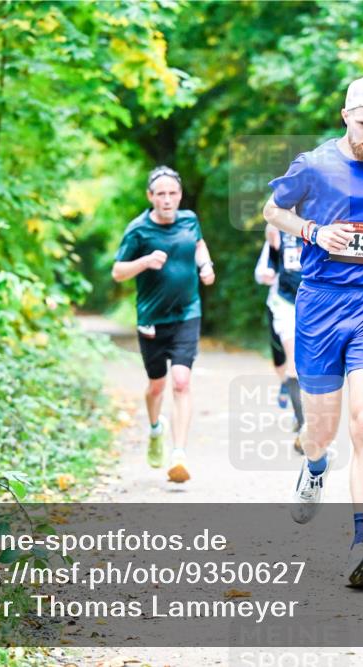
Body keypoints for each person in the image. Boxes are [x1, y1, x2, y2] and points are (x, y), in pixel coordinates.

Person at [263, 76, 363, 587]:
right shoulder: (314, 164)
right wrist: (313, 231)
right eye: (362, 123)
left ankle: (362, 546)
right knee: (322, 431)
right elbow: (272, 210)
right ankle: (313, 469)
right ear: (345, 116)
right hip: (319, 303)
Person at [112, 166, 215, 483]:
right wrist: (144, 262)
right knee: (157, 385)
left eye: (173, 193)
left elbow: (198, 244)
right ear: (150, 197)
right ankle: (156, 428)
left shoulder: (189, 220)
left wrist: (206, 265)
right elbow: (118, 271)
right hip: (152, 320)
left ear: (179, 195)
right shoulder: (138, 230)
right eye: (161, 194)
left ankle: (179, 454)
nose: (167, 199)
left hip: (187, 312)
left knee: (181, 381)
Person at [255, 225, 305, 449]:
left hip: (315, 303)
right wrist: (267, 271)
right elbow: (264, 270)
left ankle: (302, 410)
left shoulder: (321, 226)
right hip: (284, 303)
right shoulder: (277, 231)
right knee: (287, 362)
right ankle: (304, 425)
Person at [254, 240, 290, 410]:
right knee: (279, 357)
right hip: (277, 303)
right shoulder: (276, 239)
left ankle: (299, 410)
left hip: (303, 305)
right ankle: (285, 381)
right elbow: (259, 272)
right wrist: (266, 274)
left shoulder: (314, 236)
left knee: (298, 355)